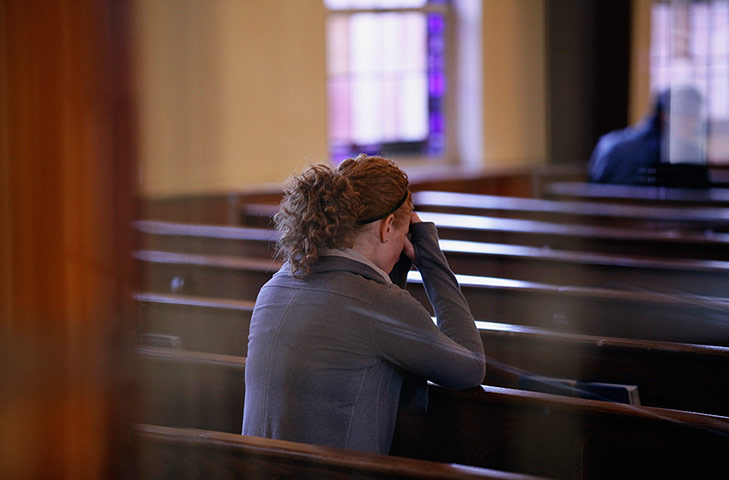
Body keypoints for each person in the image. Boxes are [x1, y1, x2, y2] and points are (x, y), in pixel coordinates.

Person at [242, 154, 485, 454]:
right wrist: (430, 257)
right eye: (404, 232)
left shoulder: (274, 287)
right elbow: (471, 368)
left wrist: (391, 271)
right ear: (387, 228)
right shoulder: (379, 304)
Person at [588, 85, 707, 186]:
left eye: (695, 116)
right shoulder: (687, 154)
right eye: (688, 115)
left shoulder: (609, 142)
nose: (694, 122)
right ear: (664, 115)